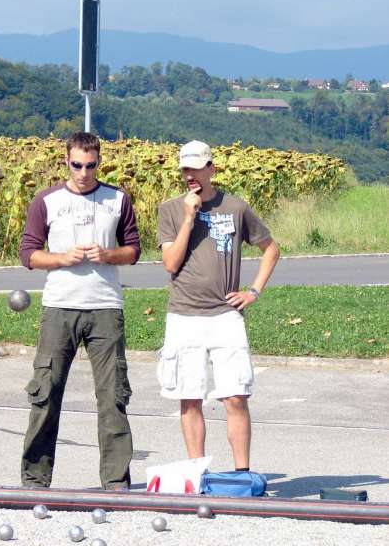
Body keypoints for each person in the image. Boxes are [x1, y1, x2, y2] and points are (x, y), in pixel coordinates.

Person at [19, 132, 140, 490]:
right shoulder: (47, 201)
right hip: (59, 307)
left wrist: (108, 254)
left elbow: (132, 250)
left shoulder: (117, 199)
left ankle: (116, 481)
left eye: (90, 165)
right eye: (76, 165)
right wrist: (60, 259)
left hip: (105, 307)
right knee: (46, 393)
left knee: (113, 397)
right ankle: (35, 480)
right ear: (66, 161)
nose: (84, 172)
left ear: (99, 162)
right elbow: (29, 253)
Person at [157, 140, 279, 472]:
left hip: (225, 315)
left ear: (212, 168)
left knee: (236, 395)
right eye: (185, 169)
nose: (190, 175)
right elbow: (170, 262)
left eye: (197, 168)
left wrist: (253, 291)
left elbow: (271, 248)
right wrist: (187, 218)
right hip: (184, 315)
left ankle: (242, 473)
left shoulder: (235, 208)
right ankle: (197, 471)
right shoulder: (170, 209)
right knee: (190, 397)